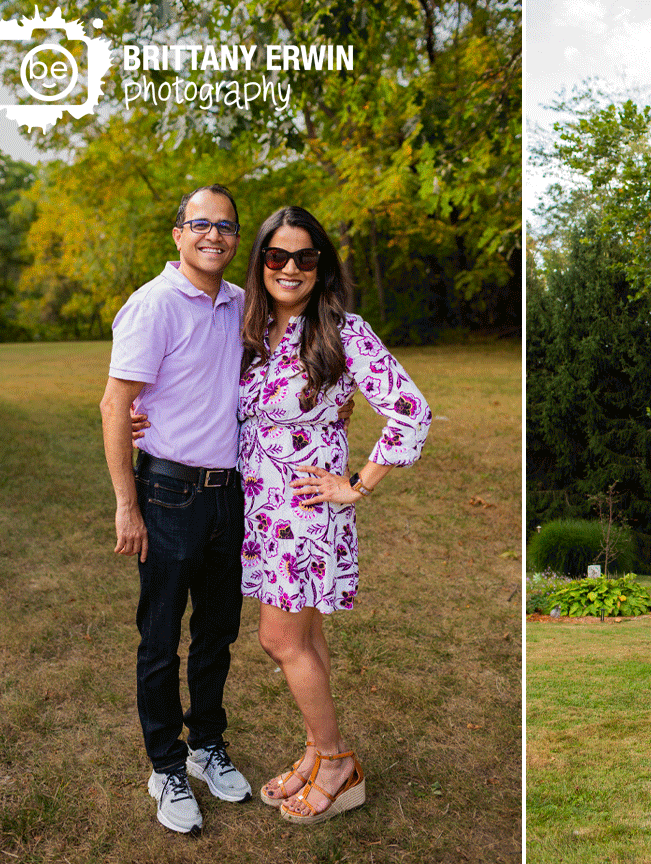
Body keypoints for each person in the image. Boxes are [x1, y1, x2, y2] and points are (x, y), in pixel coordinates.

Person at [238, 206, 431, 824]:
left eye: (305, 258)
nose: (290, 268)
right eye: (278, 256)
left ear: (322, 267)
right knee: (306, 637)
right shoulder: (251, 330)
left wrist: (359, 485)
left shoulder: (344, 331)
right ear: (261, 262)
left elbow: (412, 411)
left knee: (279, 639)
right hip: (261, 513)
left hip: (306, 514)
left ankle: (336, 761)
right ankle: (318, 757)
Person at [100, 184, 253, 835]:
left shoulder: (242, 303)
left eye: (224, 225)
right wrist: (126, 505)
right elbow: (114, 404)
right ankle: (165, 765)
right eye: (200, 224)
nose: (212, 235)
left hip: (229, 493)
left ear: (235, 237)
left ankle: (203, 747)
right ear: (178, 234)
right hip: (166, 494)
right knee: (161, 640)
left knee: (216, 633)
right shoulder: (153, 304)